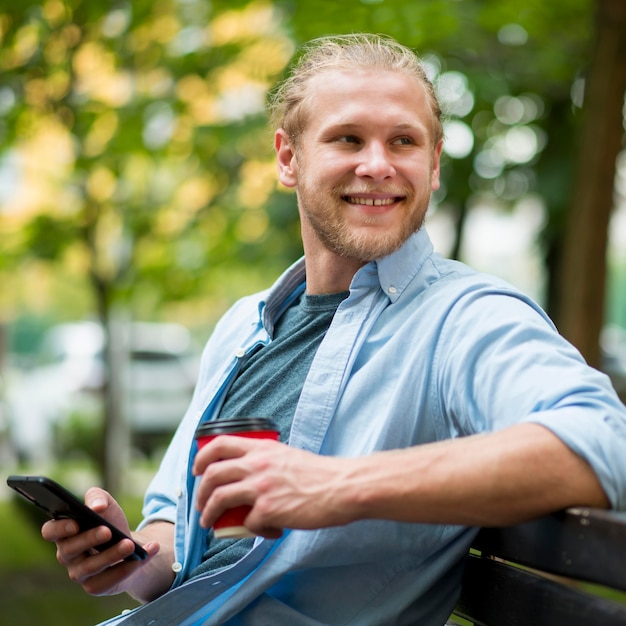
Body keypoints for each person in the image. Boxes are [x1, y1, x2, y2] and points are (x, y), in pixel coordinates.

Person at [42, 33, 626, 625]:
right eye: (348, 138)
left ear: (433, 162)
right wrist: (132, 557)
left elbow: (599, 440)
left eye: (403, 141)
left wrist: (337, 485)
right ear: (288, 158)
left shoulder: (468, 316)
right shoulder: (244, 325)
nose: (377, 165)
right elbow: (181, 538)